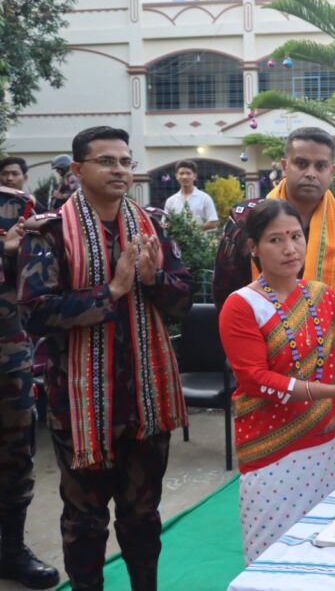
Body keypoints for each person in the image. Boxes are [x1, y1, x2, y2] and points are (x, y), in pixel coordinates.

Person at [19, 126, 192, 591]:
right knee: (85, 521)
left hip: (145, 400)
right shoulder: (50, 232)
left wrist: (153, 281)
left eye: (126, 161)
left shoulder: (151, 226)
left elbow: (182, 300)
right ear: (77, 170)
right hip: (79, 405)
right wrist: (111, 291)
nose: (120, 170)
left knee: (143, 514)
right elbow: (35, 314)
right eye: (106, 161)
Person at [218, 199, 335, 563]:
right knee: (272, 552)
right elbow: (256, 379)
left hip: (326, 443)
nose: (290, 249)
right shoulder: (241, 306)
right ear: (253, 247)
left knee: (322, 545)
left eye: (296, 236)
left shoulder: (322, 295)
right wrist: (333, 391)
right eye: (275, 240)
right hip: (271, 450)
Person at [214, 126, 335, 474]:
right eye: (302, 163)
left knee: (334, 476)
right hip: (266, 373)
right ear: (284, 165)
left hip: (331, 376)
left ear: (332, 170)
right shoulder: (245, 220)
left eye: (320, 165)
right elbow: (225, 290)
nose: (311, 173)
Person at [0, 187, 58, 589]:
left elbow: (44, 275)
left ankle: (11, 550)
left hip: (9, 355)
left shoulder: (17, 206)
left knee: (16, 452)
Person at [162, 160, 218, 230]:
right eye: (181, 173)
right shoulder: (170, 201)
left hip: (200, 237)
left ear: (195, 176)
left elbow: (213, 223)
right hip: (176, 237)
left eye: (188, 173)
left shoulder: (205, 198)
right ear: (176, 176)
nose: (184, 177)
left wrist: (192, 230)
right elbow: (165, 223)